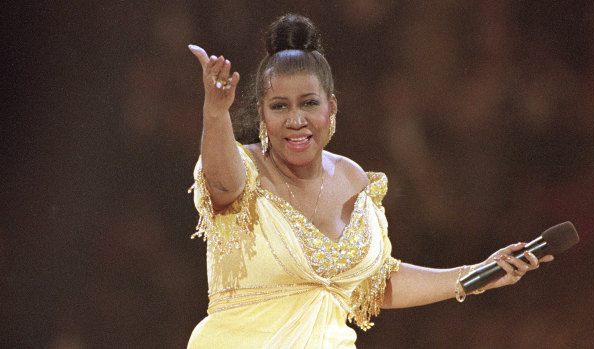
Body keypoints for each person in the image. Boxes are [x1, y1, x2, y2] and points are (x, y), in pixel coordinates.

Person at [185, 13, 553, 348]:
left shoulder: (351, 178)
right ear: (262, 116)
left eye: (309, 103)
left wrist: (478, 273)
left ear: (331, 107)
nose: (296, 119)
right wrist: (216, 113)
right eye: (279, 106)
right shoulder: (242, 165)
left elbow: (376, 282)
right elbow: (221, 185)